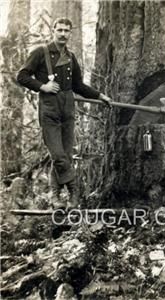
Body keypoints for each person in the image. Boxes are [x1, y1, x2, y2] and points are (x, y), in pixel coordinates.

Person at [17, 18, 112, 209]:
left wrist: (100, 95)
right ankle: (74, 190)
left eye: (66, 31)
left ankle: (56, 197)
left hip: (67, 111)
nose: (63, 34)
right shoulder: (40, 53)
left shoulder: (71, 57)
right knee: (58, 156)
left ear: (70, 33)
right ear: (53, 30)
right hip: (49, 111)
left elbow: (78, 86)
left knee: (65, 158)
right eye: (59, 30)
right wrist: (42, 86)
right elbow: (22, 76)